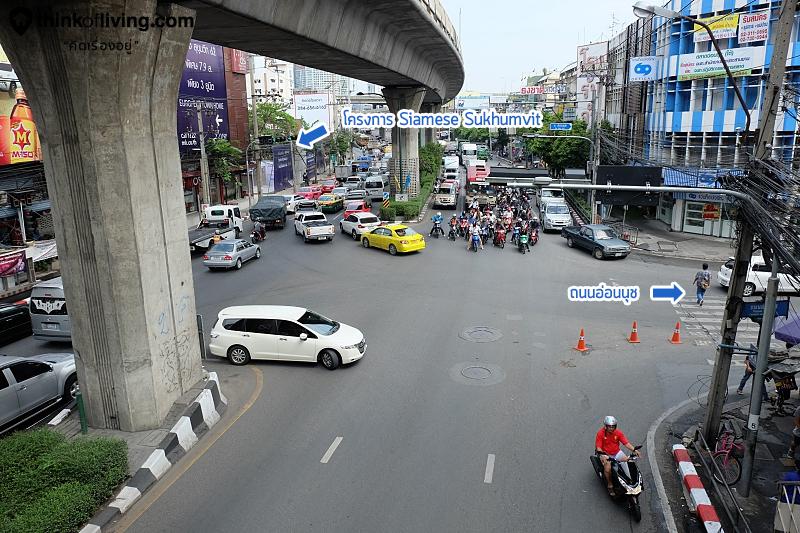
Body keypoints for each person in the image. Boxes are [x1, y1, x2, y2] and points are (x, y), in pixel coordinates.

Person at [595, 416, 639, 496]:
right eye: (609, 426)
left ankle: (630, 481)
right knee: (608, 469)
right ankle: (610, 485)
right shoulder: (600, 433)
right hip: (606, 454)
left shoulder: (618, 433)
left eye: (613, 426)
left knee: (628, 461)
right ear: (605, 426)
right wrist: (603, 455)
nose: (611, 428)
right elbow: (598, 447)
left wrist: (634, 450)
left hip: (617, 452)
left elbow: (626, 443)